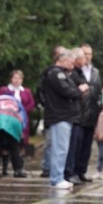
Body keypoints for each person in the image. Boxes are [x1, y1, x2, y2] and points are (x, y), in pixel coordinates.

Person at [42, 51, 86, 189]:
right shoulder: (56, 73)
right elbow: (67, 90)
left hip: (63, 116)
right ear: (63, 60)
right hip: (60, 116)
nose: (72, 65)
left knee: (62, 148)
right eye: (71, 62)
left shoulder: (60, 73)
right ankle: (56, 178)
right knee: (59, 149)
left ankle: (58, 177)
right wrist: (79, 90)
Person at [68, 44, 102, 183]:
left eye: (90, 54)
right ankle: (73, 171)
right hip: (78, 113)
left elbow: (97, 91)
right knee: (76, 144)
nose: (87, 57)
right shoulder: (75, 72)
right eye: (85, 54)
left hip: (92, 114)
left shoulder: (96, 72)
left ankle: (82, 171)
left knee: (87, 146)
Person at [0, 69, 36, 178]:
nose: (16, 80)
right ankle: (4, 166)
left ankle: (19, 167)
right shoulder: (4, 90)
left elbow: (31, 104)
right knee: (6, 143)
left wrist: (20, 110)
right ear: (11, 79)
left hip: (22, 120)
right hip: (7, 120)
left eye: (19, 78)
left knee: (21, 143)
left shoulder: (26, 91)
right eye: (15, 78)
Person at [39, 45, 67, 178]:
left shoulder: (65, 72)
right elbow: (41, 91)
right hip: (52, 112)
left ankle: (54, 168)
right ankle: (47, 167)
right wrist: (47, 104)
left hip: (60, 112)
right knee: (50, 141)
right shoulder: (50, 72)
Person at [0, 94, 28, 178]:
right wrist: (20, 133)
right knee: (14, 146)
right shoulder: (16, 102)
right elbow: (24, 118)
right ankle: (18, 170)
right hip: (13, 120)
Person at [64, 47, 90, 185]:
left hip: (80, 114)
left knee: (77, 145)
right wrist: (81, 90)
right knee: (70, 146)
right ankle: (69, 172)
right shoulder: (70, 74)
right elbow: (73, 91)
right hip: (73, 114)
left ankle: (74, 171)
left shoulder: (79, 72)